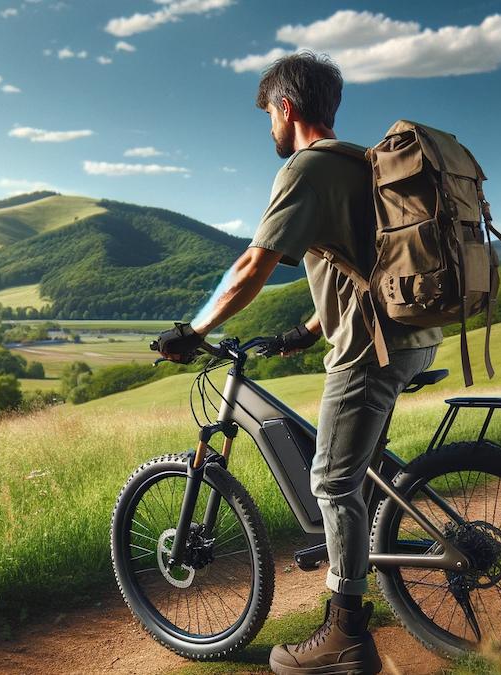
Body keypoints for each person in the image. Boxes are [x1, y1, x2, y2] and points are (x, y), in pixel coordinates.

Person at [154, 51, 442, 675]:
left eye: (269, 116)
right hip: (416, 335)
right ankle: (367, 562)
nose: (270, 129)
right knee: (357, 476)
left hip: (371, 349)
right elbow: (363, 264)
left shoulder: (306, 169)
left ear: (286, 108)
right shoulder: (362, 166)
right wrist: (307, 331)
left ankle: (344, 639)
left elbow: (252, 266)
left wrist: (196, 329)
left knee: (331, 482)